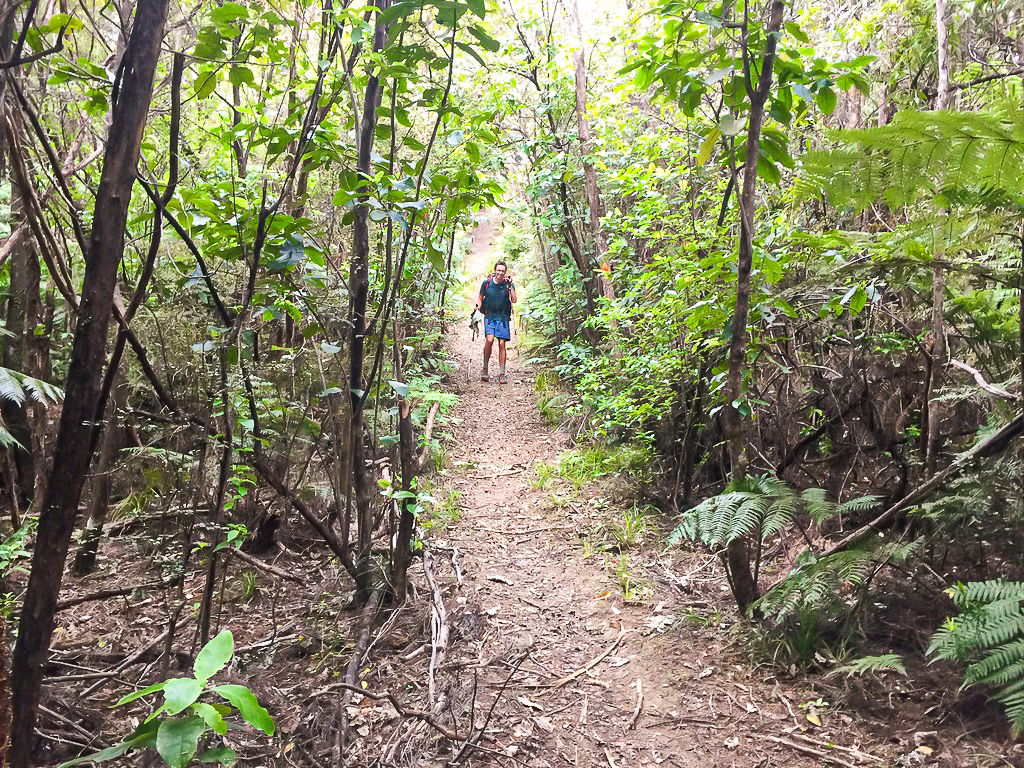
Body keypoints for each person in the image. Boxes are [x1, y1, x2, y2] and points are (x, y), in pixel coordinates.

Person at [474, 259, 517, 383]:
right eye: (499, 270)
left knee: (502, 344)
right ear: (495, 270)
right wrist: (477, 305)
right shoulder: (487, 283)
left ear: (505, 272)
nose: (501, 273)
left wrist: (510, 287)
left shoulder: (508, 284)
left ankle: (502, 372)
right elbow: (480, 297)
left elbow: (514, 300)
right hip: (489, 315)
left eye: (503, 271)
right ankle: (485, 368)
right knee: (489, 340)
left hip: (503, 317)